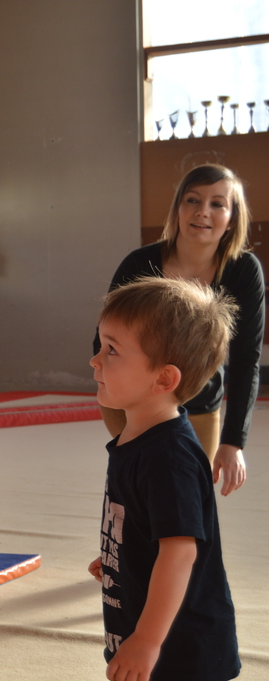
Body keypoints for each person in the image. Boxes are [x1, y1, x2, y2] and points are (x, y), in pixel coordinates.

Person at [88, 277, 240, 681]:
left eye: (111, 350)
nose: (95, 360)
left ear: (163, 379)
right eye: (101, 345)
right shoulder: (137, 438)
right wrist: (123, 554)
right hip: (147, 635)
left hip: (180, 651)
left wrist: (147, 641)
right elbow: (151, 525)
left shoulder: (169, 457)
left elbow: (180, 553)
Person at [95, 164, 261, 497]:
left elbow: (247, 358)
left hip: (200, 407)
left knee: (188, 501)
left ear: (232, 218)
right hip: (132, 403)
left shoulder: (243, 270)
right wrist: (115, 397)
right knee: (136, 498)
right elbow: (103, 338)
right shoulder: (140, 264)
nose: (202, 212)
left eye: (217, 204)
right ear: (177, 209)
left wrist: (233, 441)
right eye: (192, 200)